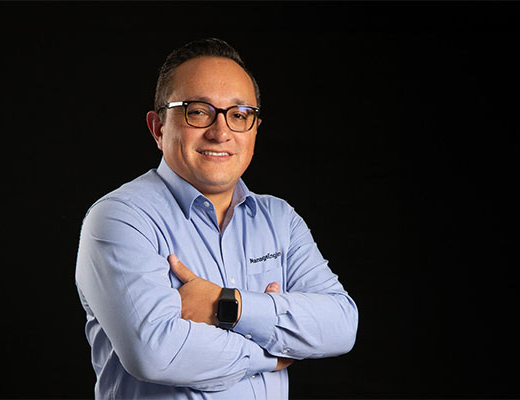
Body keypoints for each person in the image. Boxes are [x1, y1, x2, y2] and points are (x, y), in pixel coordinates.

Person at [75, 38, 358, 399]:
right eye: (197, 111)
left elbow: (341, 324)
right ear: (158, 128)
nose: (220, 132)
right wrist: (272, 353)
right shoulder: (121, 219)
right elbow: (157, 353)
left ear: (254, 129)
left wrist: (227, 305)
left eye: (239, 115)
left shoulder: (280, 220)